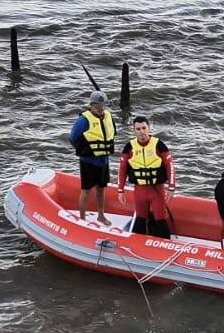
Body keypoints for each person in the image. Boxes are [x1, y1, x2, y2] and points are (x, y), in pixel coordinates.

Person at [118, 117, 176, 238]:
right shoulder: (129, 147)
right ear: (134, 131)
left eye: (144, 128)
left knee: (160, 220)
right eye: (138, 129)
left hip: (157, 190)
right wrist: (120, 190)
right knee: (140, 221)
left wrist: (171, 188)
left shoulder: (159, 145)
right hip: (140, 190)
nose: (141, 131)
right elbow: (122, 169)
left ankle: (165, 247)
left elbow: (170, 166)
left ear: (148, 128)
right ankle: (139, 248)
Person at [68, 93, 116, 224]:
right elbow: (72, 138)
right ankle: (82, 219)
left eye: (102, 106)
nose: (100, 109)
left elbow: (111, 134)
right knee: (86, 191)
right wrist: (84, 149)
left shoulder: (108, 117)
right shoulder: (83, 120)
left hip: (103, 160)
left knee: (101, 189)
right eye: (97, 106)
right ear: (91, 105)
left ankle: (101, 215)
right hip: (88, 161)